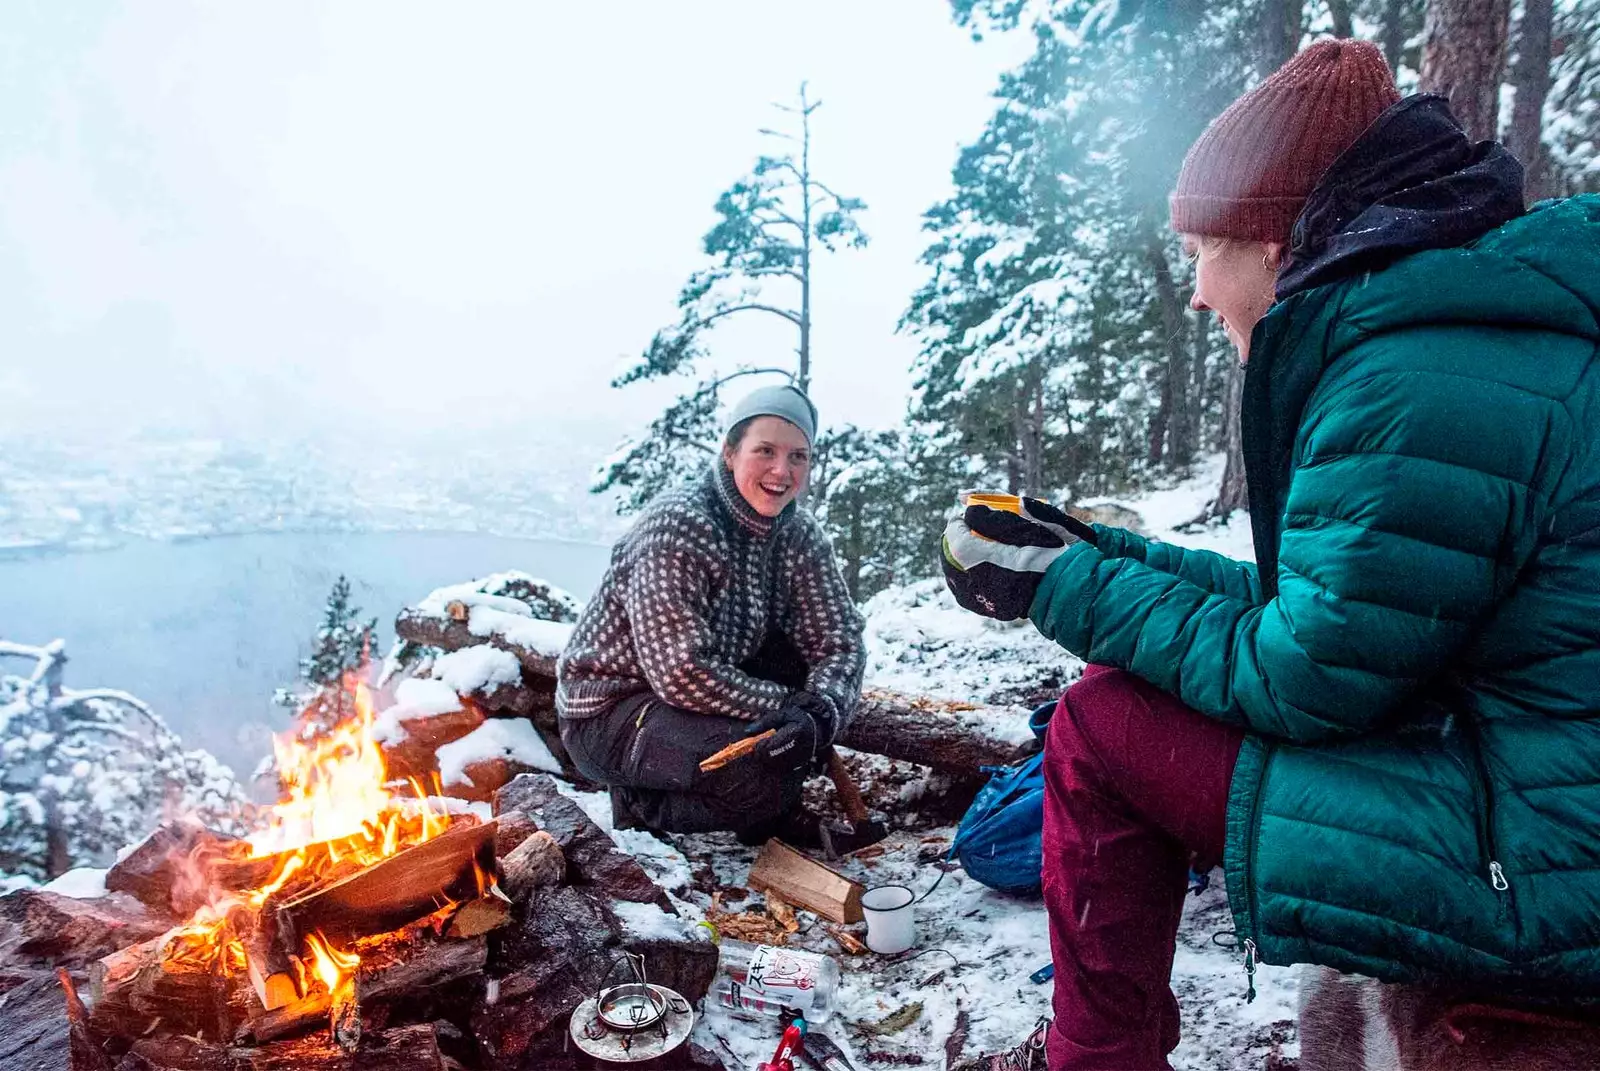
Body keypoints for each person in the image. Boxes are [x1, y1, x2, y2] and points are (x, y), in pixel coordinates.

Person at [942, 39, 1600, 1071]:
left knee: (1102, 728)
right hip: (1522, 782)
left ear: (1271, 240)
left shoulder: (1413, 373)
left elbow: (1307, 678)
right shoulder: (1445, 330)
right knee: (1119, 702)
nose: (1198, 293)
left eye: (1204, 251)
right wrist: (1092, 551)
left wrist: (1063, 585)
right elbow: (1338, 611)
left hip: (1543, 853)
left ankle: (1093, 1059)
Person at [556, 383, 867, 848]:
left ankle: (767, 813)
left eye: (798, 457)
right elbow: (680, 672)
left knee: (789, 724)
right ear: (729, 452)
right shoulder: (681, 524)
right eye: (765, 451)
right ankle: (638, 802)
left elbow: (840, 640)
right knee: (760, 773)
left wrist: (819, 715)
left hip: (706, 694)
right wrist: (786, 711)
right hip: (613, 709)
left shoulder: (799, 535)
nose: (782, 471)